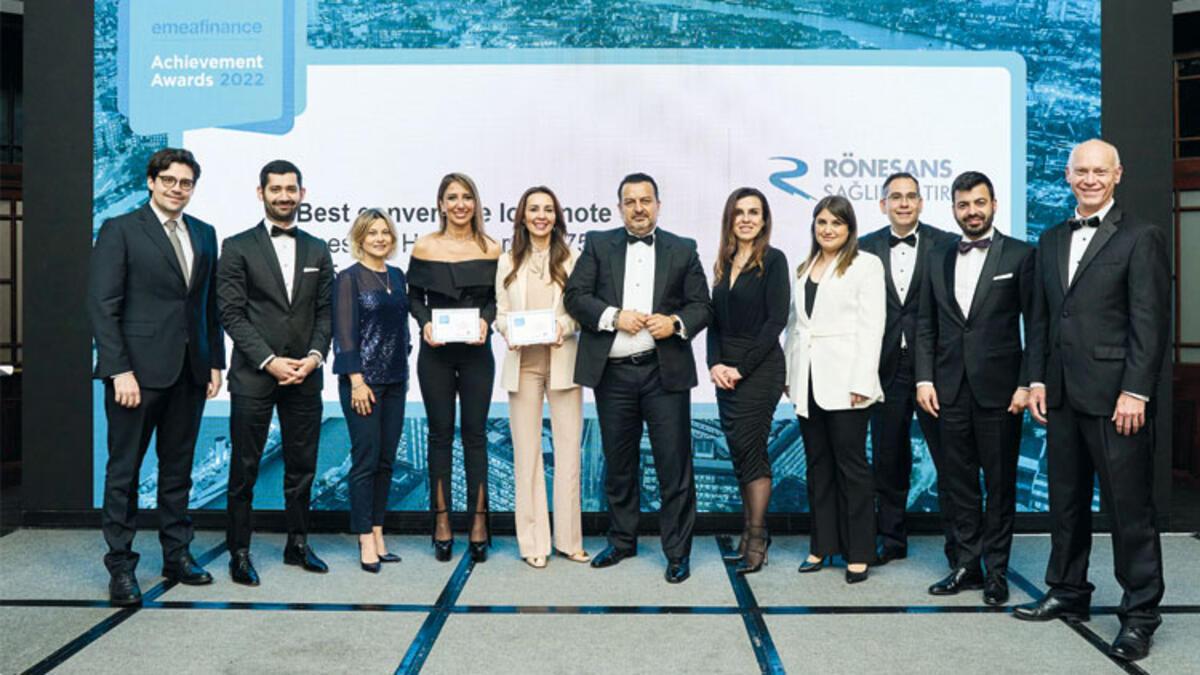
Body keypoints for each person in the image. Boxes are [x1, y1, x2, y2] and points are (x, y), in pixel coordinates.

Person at [1014, 139, 1170, 663]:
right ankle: (1068, 590)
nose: (1089, 179)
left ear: (1117, 174)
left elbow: (1149, 321)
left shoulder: (1141, 236)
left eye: (1099, 171)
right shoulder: (1051, 238)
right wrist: (1037, 381)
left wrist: (1136, 391)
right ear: (1067, 175)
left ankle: (1140, 616)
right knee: (1066, 503)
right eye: (1081, 170)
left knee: (1129, 512)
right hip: (1060, 395)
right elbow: (1041, 318)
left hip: (1116, 399)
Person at [87, 148, 225, 605]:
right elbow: (103, 306)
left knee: (178, 470)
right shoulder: (120, 229)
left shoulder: (204, 233)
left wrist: (214, 362)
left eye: (185, 183)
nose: (177, 189)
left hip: (190, 372)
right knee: (124, 472)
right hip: (136, 375)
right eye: (169, 180)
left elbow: (207, 305)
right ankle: (121, 567)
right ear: (151, 181)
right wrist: (118, 370)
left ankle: (177, 555)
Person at [564, 172, 711, 584]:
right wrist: (614, 316)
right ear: (620, 208)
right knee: (619, 463)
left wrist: (675, 322)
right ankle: (622, 541)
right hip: (613, 375)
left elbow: (702, 305)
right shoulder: (598, 244)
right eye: (630, 202)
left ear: (658, 205)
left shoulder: (683, 249)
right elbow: (575, 296)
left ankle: (677, 552)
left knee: (674, 466)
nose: (638, 208)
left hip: (664, 374)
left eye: (645, 200)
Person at [914, 171, 1034, 606]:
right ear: (953, 209)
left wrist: (1026, 383)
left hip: (1001, 391)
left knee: (999, 485)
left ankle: (996, 572)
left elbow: (1037, 325)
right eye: (963, 205)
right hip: (947, 389)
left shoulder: (1021, 255)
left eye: (979, 203)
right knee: (957, 482)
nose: (972, 212)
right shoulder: (936, 256)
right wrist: (924, 378)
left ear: (994, 204)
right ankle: (967, 565)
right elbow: (925, 324)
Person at [217, 160, 334, 585]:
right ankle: (239, 551)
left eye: (291, 189)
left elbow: (326, 312)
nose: (284, 196)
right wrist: (269, 360)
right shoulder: (236, 246)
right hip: (254, 375)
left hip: (306, 374)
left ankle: (297, 544)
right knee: (245, 468)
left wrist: (315, 356)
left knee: (303, 466)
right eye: (276, 189)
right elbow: (231, 313)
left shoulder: (318, 248)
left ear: (302, 193)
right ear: (261, 193)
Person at [857, 172, 959, 567]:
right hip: (885, 367)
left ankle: (960, 548)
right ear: (883, 204)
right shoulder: (864, 247)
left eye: (911, 196)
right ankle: (891, 539)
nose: (903, 203)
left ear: (921, 202)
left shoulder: (947, 243)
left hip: (935, 367)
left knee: (949, 458)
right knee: (888, 458)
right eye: (895, 197)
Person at [784, 195, 885, 584]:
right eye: (822, 222)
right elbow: (795, 326)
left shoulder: (865, 265)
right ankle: (821, 545)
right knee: (817, 466)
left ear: (849, 228)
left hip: (846, 383)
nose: (828, 229)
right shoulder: (803, 267)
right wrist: (790, 375)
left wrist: (863, 381)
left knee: (851, 468)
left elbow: (872, 327)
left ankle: (858, 551)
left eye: (836, 223)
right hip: (807, 380)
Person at [408, 173, 501, 564]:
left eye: (467, 197)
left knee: (476, 436)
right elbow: (414, 297)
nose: (460, 204)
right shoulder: (425, 246)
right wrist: (424, 324)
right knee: (439, 436)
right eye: (452, 197)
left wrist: (486, 321)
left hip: (478, 353)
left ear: (475, 203)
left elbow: (497, 299)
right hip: (435, 354)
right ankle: (442, 522)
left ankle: (479, 523)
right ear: (441, 204)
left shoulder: (492, 248)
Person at [494, 186, 587, 569]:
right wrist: (508, 331)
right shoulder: (506, 261)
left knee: (568, 454)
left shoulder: (573, 259)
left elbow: (580, 311)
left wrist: (561, 327)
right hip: (523, 366)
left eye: (548, 209)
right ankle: (533, 542)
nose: (541, 216)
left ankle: (569, 541)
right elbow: (501, 314)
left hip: (563, 363)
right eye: (534, 209)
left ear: (557, 217)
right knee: (527, 455)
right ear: (523, 216)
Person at [707, 187, 789, 575]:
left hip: (760, 370)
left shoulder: (774, 260)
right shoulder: (723, 262)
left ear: (764, 219)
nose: (746, 219)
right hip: (726, 373)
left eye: (754, 212)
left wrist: (741, 368)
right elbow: (713, 321)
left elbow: (776, 322)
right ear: (730, 218)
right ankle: (749, 534)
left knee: (752, 452)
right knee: (740, 453)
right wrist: (714, 364)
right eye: (739, 212)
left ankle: (757, 538)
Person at [332, 209, 411, 573]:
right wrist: (357, 381)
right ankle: (364, 536)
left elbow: (401, 328)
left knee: (386, 461)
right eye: (372, 232)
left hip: (396, 381)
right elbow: (344, 334)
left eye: (385, 232)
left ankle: (378, 532)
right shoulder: (348, 278)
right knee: (366, 460)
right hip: (363, 383)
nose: (380, 238)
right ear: (360, 238)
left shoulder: (397, 275)